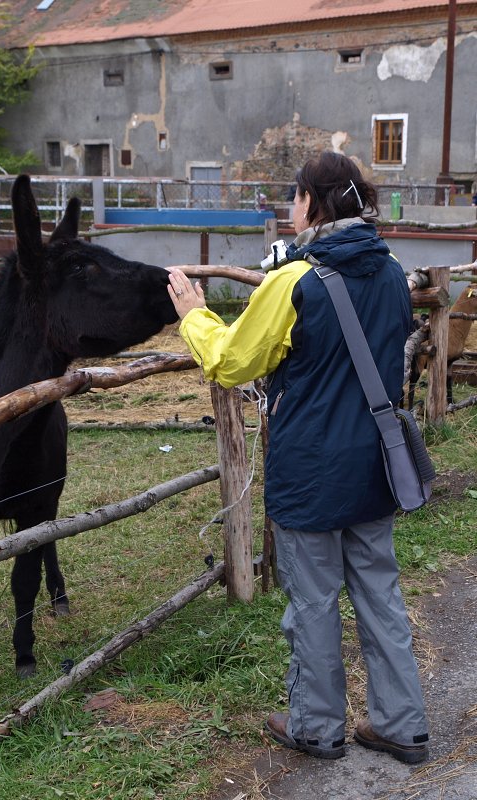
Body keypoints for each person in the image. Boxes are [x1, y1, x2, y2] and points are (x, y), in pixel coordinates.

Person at [167, 151, 429, 764]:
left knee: (313, 602)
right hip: (377, 465)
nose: (289, 209)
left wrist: (193, 315)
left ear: (313, 202)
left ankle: (317, 726)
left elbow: (233, 362)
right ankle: (403, 725)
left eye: (293, 196)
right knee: (380, 595)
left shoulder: (296, 282)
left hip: (311, 470)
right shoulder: (392, 271)